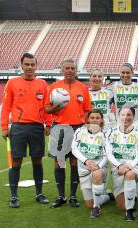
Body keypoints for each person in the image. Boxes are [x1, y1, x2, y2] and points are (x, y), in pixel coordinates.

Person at [0, 52, 50, 208]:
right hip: (19, 127)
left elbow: (46, 107)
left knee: (37, 161)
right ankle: (14, 197)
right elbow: (6, 106)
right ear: (21, 65)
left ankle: (39, 193)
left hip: (36, 127)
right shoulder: (12, 83)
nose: (29, 67)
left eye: (32, 64)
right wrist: (4, 127)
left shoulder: (42, 84)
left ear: (36, 66)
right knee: (16, 162)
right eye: (26, 64)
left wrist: (48, 124)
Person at [44, 58, 91, 208]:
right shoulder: (53, 87)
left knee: (75, 163)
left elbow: (87, 110)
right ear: (62, 70)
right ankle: (60, 196)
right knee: (59, 163)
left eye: (72, 68)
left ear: (76, 71)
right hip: (59, 128)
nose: (70, 70)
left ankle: (73, 197)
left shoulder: (83, 88)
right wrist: (55, 108)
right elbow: (46, 109)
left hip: (78, 128)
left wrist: (85, 128)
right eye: (67, 68)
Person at [106, 106, 138, 221]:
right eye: (123, 114)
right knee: (121, 206)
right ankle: (129, 195)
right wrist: (119, 165)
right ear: (119, 116)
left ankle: (130, 212)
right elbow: (109, 153)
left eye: (129, 115)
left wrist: (129, 166)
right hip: (117, 169)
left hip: (133, 167)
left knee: (129, 175)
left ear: (134, 117)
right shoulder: (111, 132)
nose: (126, 117)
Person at [71, 109, 111, 218]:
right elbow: (74, 149)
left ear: (102, 120)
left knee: (97, 174)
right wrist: (86, 161)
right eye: (92, 118)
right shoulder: (80, 131)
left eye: (97, 118)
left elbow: (107, 154)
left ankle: (96, 208)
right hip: (84, 169)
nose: (94, 120)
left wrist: (98, 166)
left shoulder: (106, 135)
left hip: (99, 168)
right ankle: (107, 196)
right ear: (88, 119)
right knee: (89, 203)